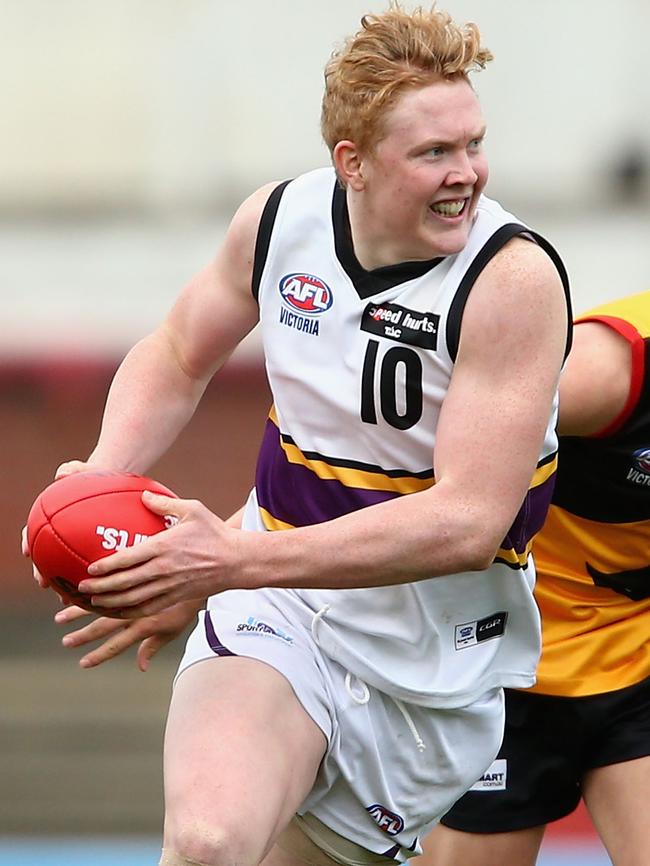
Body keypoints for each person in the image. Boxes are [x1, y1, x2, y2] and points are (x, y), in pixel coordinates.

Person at [25, 6, 571, 866]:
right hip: (280, 607)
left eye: (473, 143)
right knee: (207, 845)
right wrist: (94, 479)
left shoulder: (512, 281)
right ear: (351, 163)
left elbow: (468, 523)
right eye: (434, 152)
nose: (467, 172)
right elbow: (175, 355)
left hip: (431, 670)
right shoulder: (281, 223)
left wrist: (223, 565)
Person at [421, 290, 650, 866]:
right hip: (504, 657)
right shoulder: (607, 369)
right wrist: (249, 549)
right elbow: (410, 442)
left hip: (636, 659)